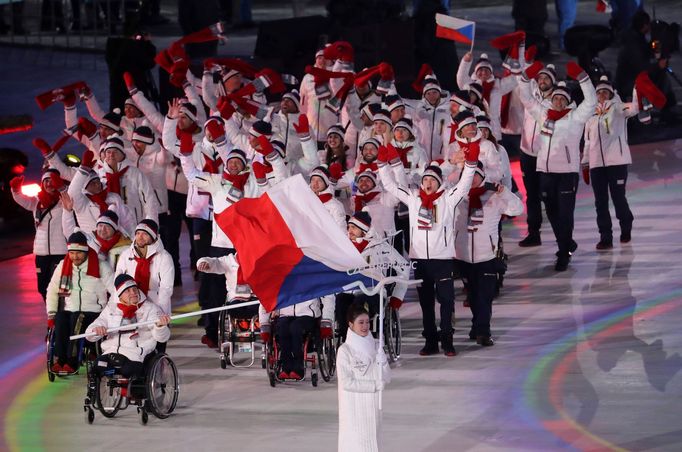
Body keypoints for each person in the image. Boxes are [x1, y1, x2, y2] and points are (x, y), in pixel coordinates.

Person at [377, 144, 480, 356]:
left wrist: (470, 164)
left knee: (446, 302)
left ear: (439, 182)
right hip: (420, 261)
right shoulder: (414, 198)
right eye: (425, 180)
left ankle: (447, 340)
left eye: (432, 179)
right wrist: (381, 164)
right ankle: (431, 341)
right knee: (426, 304)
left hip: (442, 260)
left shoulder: (448, 199)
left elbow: (465, 184)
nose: (428, 183)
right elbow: (390, 185)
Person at [518, 61, 597, 270]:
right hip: (545, 173)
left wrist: (582, 77)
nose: (559, 102)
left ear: (568, 101)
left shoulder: (576, 117)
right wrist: (526, 76)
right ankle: (567, 242)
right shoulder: (543, 114)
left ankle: (563, 253)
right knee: (552, 212)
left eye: (563, 99)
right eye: (556, 98)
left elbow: (591, 101)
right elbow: (525, 97)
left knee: (565, 214)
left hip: (567, 174)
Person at [454, 166, 524, 346]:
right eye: (469, 176)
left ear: (482, 176)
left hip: (487, 256)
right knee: (473, 295)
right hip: (463, 256)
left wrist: (504, 193)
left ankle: (483, 331)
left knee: (485, 296)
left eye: (476, 175)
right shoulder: (457, 197)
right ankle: (476, 325)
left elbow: (517, 209)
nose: (473, 179)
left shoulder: (493, 196)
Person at [46, 231, 114, 373]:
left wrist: (110, 314)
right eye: (71, 253)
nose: (74, 257)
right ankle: (60, 359)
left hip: (94, 313)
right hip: (71, 310)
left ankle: (72, 361)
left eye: (78, 253)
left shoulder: (101, 266)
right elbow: (52, 289)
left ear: (86, 251)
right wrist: (51, 315)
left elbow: (116, 292)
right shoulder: (64, 265)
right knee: (60, 317)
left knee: (78, 317)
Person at [582, 75, 637, 249]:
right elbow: (587, 141)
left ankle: (626, 224)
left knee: (618, 198)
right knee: (600, 202)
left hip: (617, 162)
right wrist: (585, 162)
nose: (602, 95)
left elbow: (634, 108)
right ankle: (606, 237)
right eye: (600, 92)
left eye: (606, 92)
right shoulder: (591, 115)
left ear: (611, 93)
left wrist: (637, 90)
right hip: (597, 165)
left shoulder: (618, 108)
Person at [86, 274, 171, 378]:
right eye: (128, 291)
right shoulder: (111, 309)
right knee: (96, 368)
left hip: (135, 355)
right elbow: (90, 334)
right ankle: (93, 394)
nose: (133, 293)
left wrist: (160, 326)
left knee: (129, 372)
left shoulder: (151, 308)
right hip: (111, 353)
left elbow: (162, 338)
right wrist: (96, 330)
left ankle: (130, 391)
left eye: (134, 289)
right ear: (120, 295)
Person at [337, 302, 390, 452]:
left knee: (375, 444)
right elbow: (347, 383)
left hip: (374, 408)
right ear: (350, 324)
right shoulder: (345, 351)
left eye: (367, 322)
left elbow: (386, 377)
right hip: (355, 410)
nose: (365, 326)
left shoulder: (376, 346)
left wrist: (383, 361)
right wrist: (373, 386)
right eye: (360, 322)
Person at [9, 169, 67, 302]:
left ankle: (60, 318)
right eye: (46, 180)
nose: (49, 183)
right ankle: (52, 315)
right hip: (41, 253)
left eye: (52, 180)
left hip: (61, 252)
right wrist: (15, 189)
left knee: (62, 289)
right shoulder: (36, 201)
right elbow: (21, 199)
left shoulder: (64, 199)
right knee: (43, 288)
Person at [517, 63, 556, 247]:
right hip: (527, 153)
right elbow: (522, 81)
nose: (542, 81)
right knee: (531, 195)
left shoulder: (557, 101)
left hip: (546, 155)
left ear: (553, 82)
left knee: (548, 196)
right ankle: (534, 233)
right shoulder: (530, 96)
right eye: (540, 78)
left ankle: (562, 238)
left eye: (546, 78)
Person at [116, 219, 174, 316]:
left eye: (145, 234)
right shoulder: (126, 255)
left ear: (153, 237)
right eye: (138, 233)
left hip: (155, 305)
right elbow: (118, 282)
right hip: (131, 305)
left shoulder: (164, 257)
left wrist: (160, 312)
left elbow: (166, 289)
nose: (140, 237)